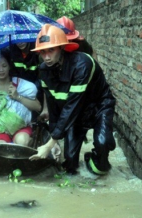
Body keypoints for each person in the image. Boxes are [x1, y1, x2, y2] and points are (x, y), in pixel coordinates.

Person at [29, 24, 116, 176]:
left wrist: (50, 144)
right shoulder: (44, 71)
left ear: (62, 48)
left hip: (98, 107)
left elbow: (71, 106)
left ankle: (100, 152)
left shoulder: (82, 64)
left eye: (51, 50)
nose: (47, 57)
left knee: (101, 156)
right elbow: (55, 109)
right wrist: (53, 139)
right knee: (69, 163)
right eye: (43, 52)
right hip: (77, 114)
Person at [0, 52, 41, 146]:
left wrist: (18, 96)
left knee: (22, 142)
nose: (1, 70)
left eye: (4, 65)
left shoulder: (21, 84)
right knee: (1, 147)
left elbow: (38, 107)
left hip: (21, 126)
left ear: (9, 66)